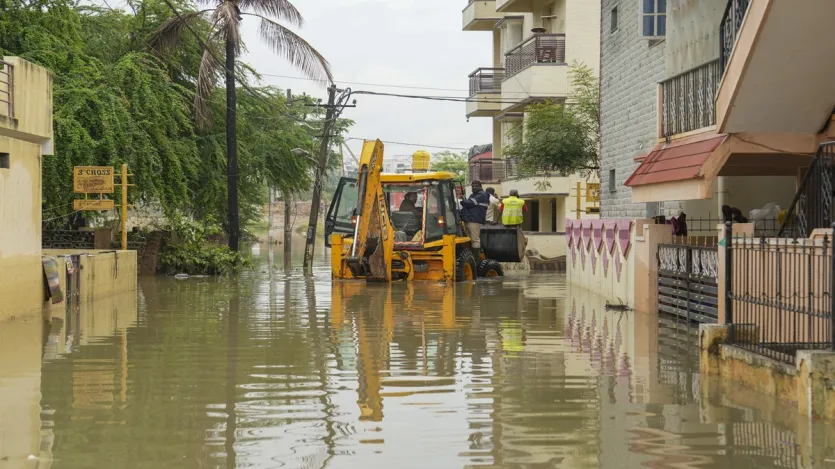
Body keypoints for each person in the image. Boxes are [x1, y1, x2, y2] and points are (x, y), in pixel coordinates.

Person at [460, 180, 490, 259]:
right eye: (473, 186)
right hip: (469, 219)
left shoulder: (482, 195)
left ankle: (476, 260)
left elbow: (470, 203)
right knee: (469, 240)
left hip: (474, 220)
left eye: (476, 186)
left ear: (481, 187)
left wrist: (463, 199)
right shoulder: (473, 195)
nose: (474, 188)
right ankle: (472, 258)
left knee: (475, 240)